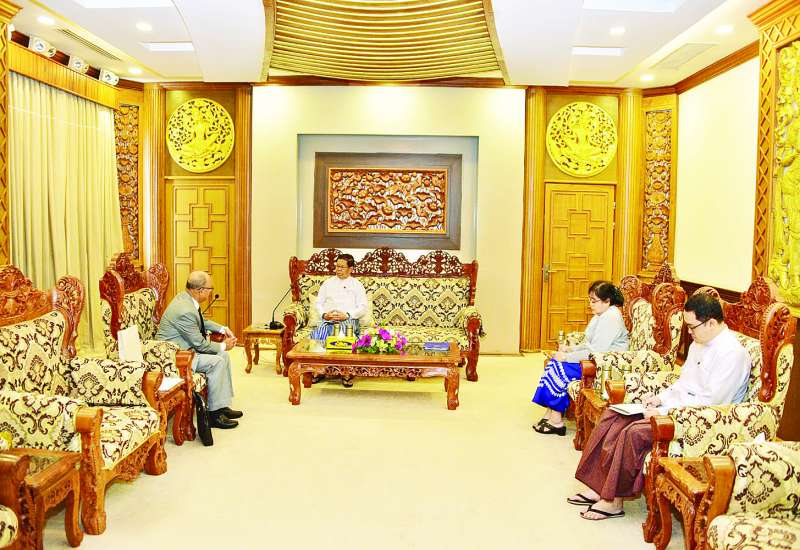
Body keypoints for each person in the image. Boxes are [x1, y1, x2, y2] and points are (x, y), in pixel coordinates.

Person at [569, 293, 751, 520]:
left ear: (711, 323)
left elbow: (711, 402)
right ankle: (599, 487)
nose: (689, 333)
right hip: (675, 408)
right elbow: (683, 383)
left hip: (697, 421)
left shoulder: (732, 354)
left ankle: (614, 501)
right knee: (612, 416)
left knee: (632, 433)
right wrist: (659, 398)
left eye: (692, 327)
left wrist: (662, 412)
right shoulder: (700, 341)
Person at [532, 280, 629, 436]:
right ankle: (551, 413)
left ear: (607, 301)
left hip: (606, 365)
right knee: (554, 364)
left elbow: (596, 351)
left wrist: (567, 357)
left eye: (594, 301)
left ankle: (556, 421)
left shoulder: (611, 317)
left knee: (559, 368)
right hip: (595, 359)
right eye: (590, 300)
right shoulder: (601, 314)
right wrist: (571, 349)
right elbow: (589, 343)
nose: (590, 304)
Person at [156, 271, 242, 430]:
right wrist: (224, 345)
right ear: (200, 290)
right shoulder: (184, 310)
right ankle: (214, 415)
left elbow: (201, 321)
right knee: (217, 361)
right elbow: (200, 344)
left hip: (185, 350)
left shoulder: (186, 299)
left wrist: (222, 328)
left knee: (223, 356)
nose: (211, 292)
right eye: (210, 289)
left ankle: (221, 405)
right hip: (176, 357)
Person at [310, 253, 368, 387]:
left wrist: (347, 315)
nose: (338, 269)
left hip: (348, 320)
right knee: (319, 333)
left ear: (351, 269)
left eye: (342, 267)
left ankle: (345, 372)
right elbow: (319, 303)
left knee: (342, 335)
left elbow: (363, 307)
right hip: (329, 319)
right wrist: (324, 314)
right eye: (337, 266)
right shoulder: (328, 283)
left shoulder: (357, 285)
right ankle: (319, 369)